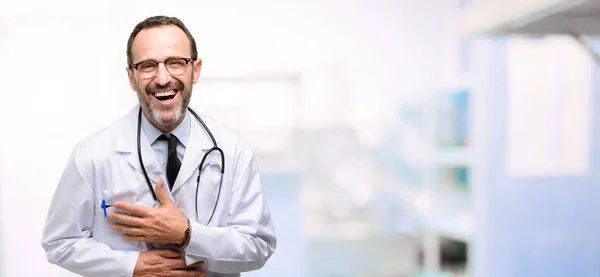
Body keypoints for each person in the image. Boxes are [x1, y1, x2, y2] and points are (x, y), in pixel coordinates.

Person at [41, 15, 277, 277]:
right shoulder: (92, 155)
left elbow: (258, 246)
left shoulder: (233, 150)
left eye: (176, 63)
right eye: (148, 66)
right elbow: (59, 243)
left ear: (195, 70)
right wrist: (130, 266)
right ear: (132, 77)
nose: (163, 78)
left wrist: (186, 233)